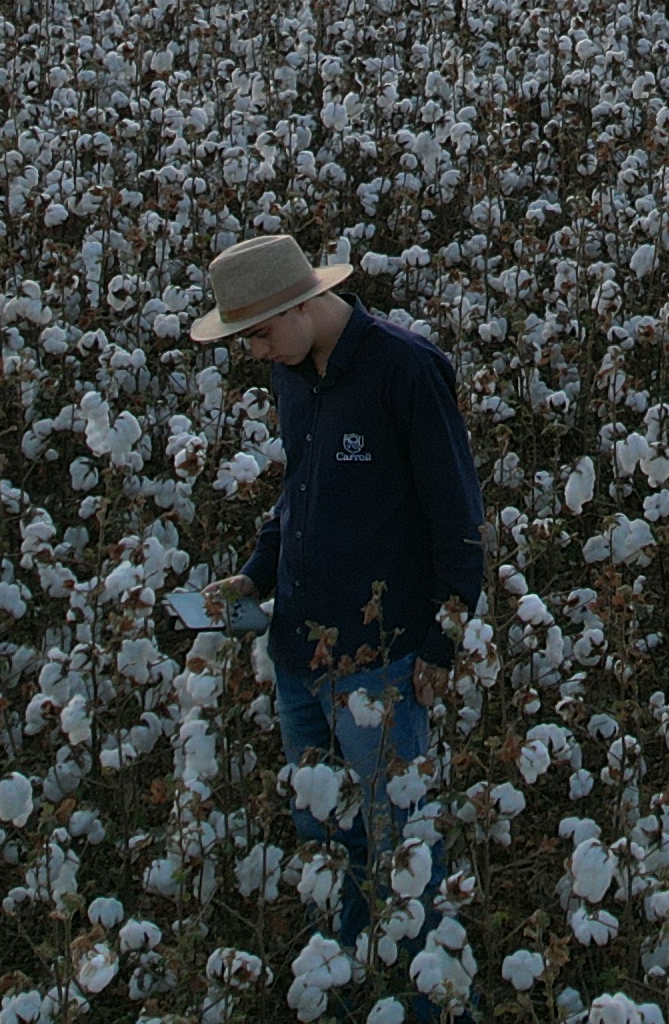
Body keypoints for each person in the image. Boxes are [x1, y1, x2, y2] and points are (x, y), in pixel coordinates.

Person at [195, 230, 487, 1018]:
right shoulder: (295, 376)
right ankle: (355, 972)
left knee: (404, 845)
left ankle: (429, 999)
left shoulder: (406, 368)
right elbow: (301, 493)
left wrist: (440, 643)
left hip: (382, 663)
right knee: (326, 829)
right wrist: (255, 573)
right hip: (296, 654)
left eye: (257, 333)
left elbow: (458, 517)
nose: (253, 351)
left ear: (302, 303)